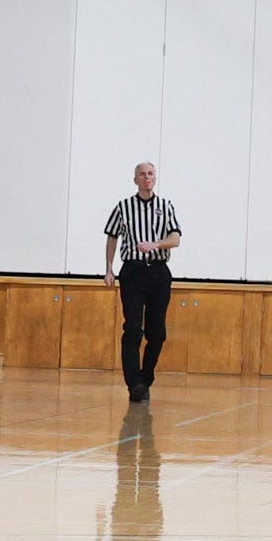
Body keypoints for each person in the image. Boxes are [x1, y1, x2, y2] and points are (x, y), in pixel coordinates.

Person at [101, 163, 181, 403]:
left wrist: (155, 244)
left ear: (155, 179)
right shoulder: (123, 207)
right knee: (133, 329)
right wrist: (108, 269)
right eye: (142, 175)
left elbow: (175, 239)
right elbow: (112, 237)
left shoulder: (165, 206)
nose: (147, 178)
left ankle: (146, 378)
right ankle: (134, 383)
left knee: (157, 334)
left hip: (158, 272)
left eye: (151, 174)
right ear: (135, 179)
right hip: (133, 272)